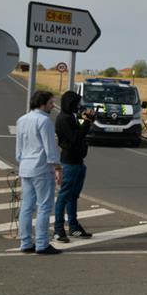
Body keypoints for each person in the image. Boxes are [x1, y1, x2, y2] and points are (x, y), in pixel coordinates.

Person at [16, 90, 63, 255]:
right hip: (41, 168)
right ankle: (42, 244)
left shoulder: (21, 120)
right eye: (51, 103)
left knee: (26, 207)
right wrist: (57, 168)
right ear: (42, 104)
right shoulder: (44, 121)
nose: (52, 106)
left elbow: (19, 148)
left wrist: (21, 161)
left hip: (25, 167)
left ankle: (25, 242)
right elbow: (50, 148)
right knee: (44, 206)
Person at [53, 91, 93, 243]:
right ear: (70, 104)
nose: (79, 106)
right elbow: (76, 137)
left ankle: (74, 227)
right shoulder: (64, 119)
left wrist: (86, 120)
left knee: (72, 196)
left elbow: (79, 131)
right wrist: (87, 122)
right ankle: (58, 229)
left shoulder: (71, 117)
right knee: (64, 196)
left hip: (78, 162)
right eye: (76, 103)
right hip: (69, 163)